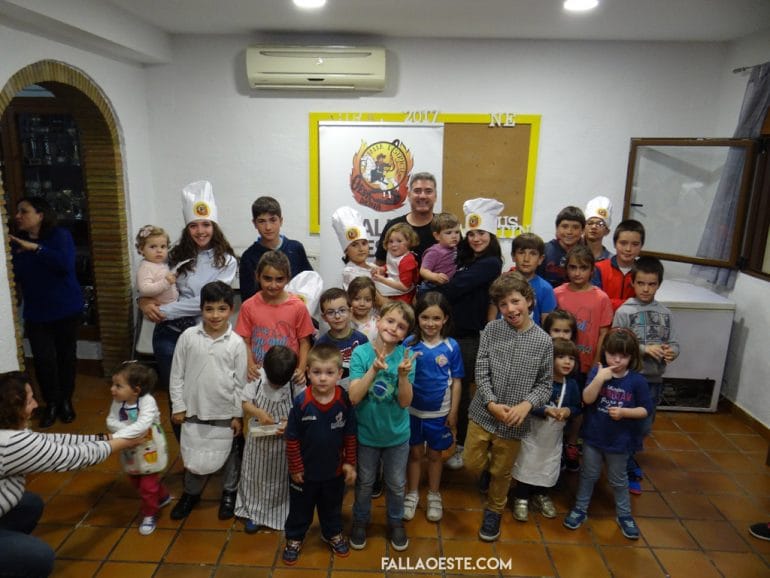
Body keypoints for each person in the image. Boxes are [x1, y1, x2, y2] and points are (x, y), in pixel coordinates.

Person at [0, 371, 141, 577]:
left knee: (29, 504)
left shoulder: (9, 431)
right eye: (30, 400)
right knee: (39, 557)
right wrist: (122, 442)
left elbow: (51, 442)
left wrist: (105, 438)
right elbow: (74, 456)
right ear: (13, 407)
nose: (36, 405)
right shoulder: (10, 443)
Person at [462, 271, 553, 541]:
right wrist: (490, 402)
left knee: (502, 472)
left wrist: (526, 405)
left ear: (528, 300)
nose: (510, 309)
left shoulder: (543, 341)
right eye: (503, 305)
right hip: (483, 413)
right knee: (470, 462)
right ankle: (487, 475)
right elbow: (481, 369)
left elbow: (545, 384)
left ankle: (494, 510)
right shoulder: (491, 330)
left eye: (515, 301)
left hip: (514, 420)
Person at [139, 181, 237, 426]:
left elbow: (206, 303)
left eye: (206, 224)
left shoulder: (226, 261)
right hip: (169, 335)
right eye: (194, 225)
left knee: (207, 394)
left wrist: (164, 310)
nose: (200, 231)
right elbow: (149, 280)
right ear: (187, 227)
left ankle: (210, 456)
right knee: (177, 401)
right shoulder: (172, 255)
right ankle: (187, 456)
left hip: (206, 335)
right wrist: (142, 300)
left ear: (214, 225)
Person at [563, 329, 653, 541]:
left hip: (619, 442)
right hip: (594, 437)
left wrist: (624, 413)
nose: (618, 360)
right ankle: (580, 509)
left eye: (624, 356)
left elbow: (644, 410)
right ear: (605, 353)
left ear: (632, 357)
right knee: (588, 475)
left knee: (618, 479)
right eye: (613, 354)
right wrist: (599, 379)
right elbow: (587, 399)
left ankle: (624, 515)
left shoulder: (637, 381)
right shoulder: (598, 372)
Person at [169, 281, 247, 521]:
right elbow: (176, 374)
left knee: (229, 456)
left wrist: (237, 415)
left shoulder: (236, 343)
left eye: (222, 309)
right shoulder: (188, 337)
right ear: (201, 308)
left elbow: (240, 383)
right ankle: (191, 493)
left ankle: (229, 493)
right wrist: (179, 405)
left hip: (224, 411)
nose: (215, 315)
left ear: (231, 309)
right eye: (209, 309)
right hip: (193, 409)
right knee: (193, 452)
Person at [437, 198, 504, 470]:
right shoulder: (465, 258)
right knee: (448, 389)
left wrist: (429, 293)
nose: (476, 239)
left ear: (492, 235)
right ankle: (452, 439)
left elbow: (455, 289)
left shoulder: (490, 263)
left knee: (462, 391)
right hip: (449, 332)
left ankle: (462, 444)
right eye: (472, 233)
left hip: (469, 337)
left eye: (482, 233)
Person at [348, 301, 417, 552]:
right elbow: (354, 397)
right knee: (365, 482)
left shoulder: (407, 359)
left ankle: (395, 521)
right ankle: (360, 520)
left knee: (397, 483)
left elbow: (405, 402)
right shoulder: (361, 354)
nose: (394, 328)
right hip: (367, 434)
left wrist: (401, 376)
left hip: (397, 436)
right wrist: (374, 370)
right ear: (379, 321)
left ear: (406, 334)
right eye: (390, 321)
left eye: (401, 326)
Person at [9, 196, 83, 428]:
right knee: (43, 360)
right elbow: (16, 274)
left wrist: (36, 249)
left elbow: (64, 264)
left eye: (24, 211)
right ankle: (51, 403)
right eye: (17, 212)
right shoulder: (15, 242)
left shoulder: (59, 236)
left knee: (66, 357)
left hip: (66, 309)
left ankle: (66, 402)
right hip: (37, 312)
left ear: (40, 215)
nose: (18, 216)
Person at [282, 344, 357, 565]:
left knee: (332, 508)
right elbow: (292, 438)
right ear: (307, 372)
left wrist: (350, 464)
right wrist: (295, 468)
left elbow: (350, 435)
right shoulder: (301, 403)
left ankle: (332, 533)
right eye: (316, 372)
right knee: (300, 510)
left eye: (329, 373)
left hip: (333, 472)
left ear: (340, 374)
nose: (323, 378)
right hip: (304, 474)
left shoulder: (344, 401)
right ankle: (294, 538)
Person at [613, 256, 679, 493]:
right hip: (631, 378)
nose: (646, 288)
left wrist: (673, 352)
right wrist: (642, 349)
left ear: (658, 284)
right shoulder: (624, 311)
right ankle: (626, 466)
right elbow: (617, 344)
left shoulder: (666, 313)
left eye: (651, 284)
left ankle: (630, 458)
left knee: (644, 425)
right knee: (628, 424)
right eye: (641, 283)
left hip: (654, 379)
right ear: (633, 282)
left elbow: (673, 342)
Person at [402, 292, 463, 522]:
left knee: (435, 455)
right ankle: (412, 493)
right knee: (415, 453)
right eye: (425, 317)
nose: (430, 323)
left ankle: (434, 494)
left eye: (436, 318)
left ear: (445, 319)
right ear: (417, 318)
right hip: (412, 411)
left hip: (440, 413)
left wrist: (454, 411)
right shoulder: (409, 343)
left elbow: (457, 381)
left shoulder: (451, 346)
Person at [511, 338, 581, 521]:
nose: (567, 362)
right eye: (561, 357)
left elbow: (577, 407)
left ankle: (542, 494)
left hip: (553, 438)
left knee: (548, 466)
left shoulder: (571, 385)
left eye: (571, 358)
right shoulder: (538, 381)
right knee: (527, 463)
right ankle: (521, 497)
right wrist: (545, 410)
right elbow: (527, 405)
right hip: (533, 434)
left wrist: (567, 410)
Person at [236, 345, 300, 533]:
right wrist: (258, 413)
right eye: (273, 383)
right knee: (255, 478)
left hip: (282, 446)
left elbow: (302, 408)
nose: (276, 387)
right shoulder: (257, 377)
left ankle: (277, 512)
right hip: (257, 444)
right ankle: (254, 513)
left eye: (280, 384)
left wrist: (290, 423)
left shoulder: (294, 382)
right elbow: (245, 402)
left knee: (278, 480)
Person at [106, 361, 171, 535]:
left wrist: (121, 433)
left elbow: (143, 425)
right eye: (113, 384)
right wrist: (126, 434)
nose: (113, 389)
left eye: (118, 386)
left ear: (136, 390)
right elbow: (110, 421)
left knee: (147, 486)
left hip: (149, 448)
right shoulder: (118, 402)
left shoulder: (147, 402)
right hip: (130, 450)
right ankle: (163, 496)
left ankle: (149, 513)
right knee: (136, 479)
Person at [235, 251, 314, 385]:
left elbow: (305, 342)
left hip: (289, 376)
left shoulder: (298, 307)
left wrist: (301, 369)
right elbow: (244, 341)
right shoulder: (248, 306)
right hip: (258, 376)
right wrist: (250, 364)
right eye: (267, 278)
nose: (273, 285)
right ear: (257, 276)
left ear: (288, 278)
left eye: (279, 279)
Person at [554, 245, 613, 384]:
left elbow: (603, 334)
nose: (577, 273)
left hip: (588, 364)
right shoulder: (556, 294)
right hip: (559, 363)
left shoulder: (601, 298)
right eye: (573, 267)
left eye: (583, 268)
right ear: (566, 269)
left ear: (592, 270)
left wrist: (596, 362)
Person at [240, 195, 313, 302]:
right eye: (261, 221)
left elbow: (309, 282)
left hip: (295, 311)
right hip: (264, 315)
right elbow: (248, 299)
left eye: (273, 220)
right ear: (254, 223)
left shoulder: (296, 248)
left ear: (281, 221)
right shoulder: (249, 257)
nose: (268, 227)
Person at [375, 171, 438, 264]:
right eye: (417, 191)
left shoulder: (446, 226)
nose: (422, 196)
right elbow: (380, 264)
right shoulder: (393, 226)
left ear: (435, 196)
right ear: (409, 195)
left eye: (428, 191)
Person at [316, 287, 369, 390]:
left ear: (350, 312)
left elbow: (368, 368)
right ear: (324, 317)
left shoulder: (361, 339)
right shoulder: (321, 345)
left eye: (342, 310)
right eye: (331, 312)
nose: (337, 316)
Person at [596, 219, 646, 311]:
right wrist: (631, 304)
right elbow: (597, 302)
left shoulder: (644, 272)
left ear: (641, 246)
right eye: (623, 243)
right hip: (602, 323)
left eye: (635, 244)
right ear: (615, 244)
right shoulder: (599, 268)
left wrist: (610, 303)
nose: (628, 249)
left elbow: (644, 303)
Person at [509, 232, 557, 326]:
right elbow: (492, 316)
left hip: (532, 340)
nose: (526, 259)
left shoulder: (546, 289)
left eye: (533, 254)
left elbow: (546, 325)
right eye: (521, 253)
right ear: (513, 256)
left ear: (540, 259)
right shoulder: (501, 283)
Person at [537, 205, 586, 288]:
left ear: (582, 230)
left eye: (575, 227)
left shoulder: (586, 255)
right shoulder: (544, 250)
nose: (569, 232)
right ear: (557, 228)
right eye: (565, 226)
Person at [372, 222, 420, 303]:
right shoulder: (391, 253)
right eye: (391, 241)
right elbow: (391, 266)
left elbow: (404, 287)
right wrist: (382, 269)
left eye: (399, 241)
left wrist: (382, 280)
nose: (394, 245)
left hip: (403, 296)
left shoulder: (407, 260)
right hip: (392, 288)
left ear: (409, 242)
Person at [332, 206, 376, 289]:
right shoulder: (350, 273)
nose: (361, 248)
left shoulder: (373, 266)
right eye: (354, 245)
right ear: (346, 250)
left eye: (364, 243)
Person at [417, 212, 462, 292]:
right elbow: (423, 270)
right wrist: (435, 276)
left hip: (447, 286)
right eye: (448, 233)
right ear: (437, 236)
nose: (454, 236)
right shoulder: (434, 252)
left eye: (457, 232)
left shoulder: (455, 248)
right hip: (431, 287)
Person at [134, 224, 178, 306]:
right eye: (153, 247)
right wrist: (166, 282)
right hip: (157, 311)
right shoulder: (146, 267)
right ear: (141, 249)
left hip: (170, 305)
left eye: (163, 246)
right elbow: (144, 290)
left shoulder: (160, 263)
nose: (159, 250)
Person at [348, 276, 380, 342]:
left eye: (367, 300)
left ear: (373, 301)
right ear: (349, 299)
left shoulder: (377, 324)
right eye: (356, 299)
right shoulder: (345, 321)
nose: (362, 304)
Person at [583, 196, 613, 262]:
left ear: (607, 231)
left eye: (600, 224)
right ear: (583, 228)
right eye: (590, 223)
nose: (594, 227)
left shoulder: (611, 260)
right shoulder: (572, 255)